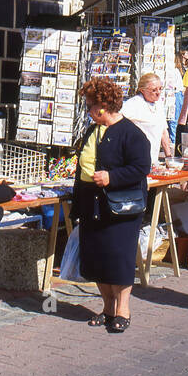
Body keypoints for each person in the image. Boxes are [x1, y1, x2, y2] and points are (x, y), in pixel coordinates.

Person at [71, 77, 152, 333]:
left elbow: (141, 167)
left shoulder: (131, 133)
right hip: (91, 205)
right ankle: (107, 307)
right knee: (96, 259)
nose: (88, 111)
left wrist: (112, 177)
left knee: (119, 258)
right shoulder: (92, 130)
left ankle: (123, 309)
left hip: (121, 208)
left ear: (103, 105)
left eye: (90, 106)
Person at [122, 72, 173, 161]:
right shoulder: (134, 103)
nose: (158, 93)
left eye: (160, 89)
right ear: (142, 90)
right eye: (154, 90)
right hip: (136, 159)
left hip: (153, 158)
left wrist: (169, 157)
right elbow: (116, 122)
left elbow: (163, 133)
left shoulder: (159, 104)